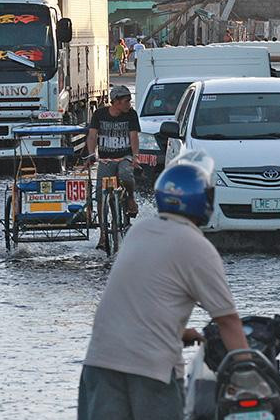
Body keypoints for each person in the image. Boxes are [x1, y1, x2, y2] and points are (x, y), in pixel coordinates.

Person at [78, 153, 250, 420]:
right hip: (151, 369)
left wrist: (180, 333)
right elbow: (227, 321)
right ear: (204, 199)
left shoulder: (139, 231)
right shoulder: (197, 247)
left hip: (100, 363)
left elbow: (137, 302)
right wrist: (248, 374)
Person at [87, 85, 141, 239]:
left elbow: (134, 137)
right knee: (100, 194)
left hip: (125, 157)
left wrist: (135, 156)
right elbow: (92, 136)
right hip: (105, 160)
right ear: (115, 102)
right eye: (126, 101)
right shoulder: (99, 114)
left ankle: (130, 198)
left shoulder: (131, 114)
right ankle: (103, 235)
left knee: (125, 175)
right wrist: (91, 154)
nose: (129, 104)